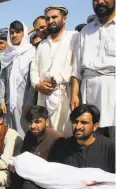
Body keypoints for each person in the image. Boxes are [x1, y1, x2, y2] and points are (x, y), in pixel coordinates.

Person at [16, 105, 115, 189]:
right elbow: (52, 173)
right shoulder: (62, 145)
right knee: (29, 188)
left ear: (95, 126)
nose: (78, 126)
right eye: (75, 121)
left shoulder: (109, 147)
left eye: (84, 123)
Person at [30, 5, 78, 136]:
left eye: (54, 17)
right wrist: (37, 84)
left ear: (64, 19)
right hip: (43, 95)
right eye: (48, 18)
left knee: (64, 134)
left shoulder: (74, 38)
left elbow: (75, 66)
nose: (50, 20)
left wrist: (56, 79)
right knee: (45, 135)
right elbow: (34, 69)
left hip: (65, 94)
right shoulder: (43, 45)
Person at [71, 0, 115, 139]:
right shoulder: (85, 31)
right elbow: (76, 68)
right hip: (89, 90)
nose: (100, 2)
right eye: (95, 0)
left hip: (113, 87)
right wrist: (74, 94)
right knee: (92, 137)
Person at [0, 21, 36, 138]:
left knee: (24, 130)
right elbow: (3, 79)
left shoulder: (31, 52)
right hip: (9, 101)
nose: (14, 35)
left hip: (24, 100)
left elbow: (32, 82)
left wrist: (29, 102)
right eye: (12, 32)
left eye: (18, 32)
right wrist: (1, 100)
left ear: (24, 33)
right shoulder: (7, 55)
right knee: (10, 131)